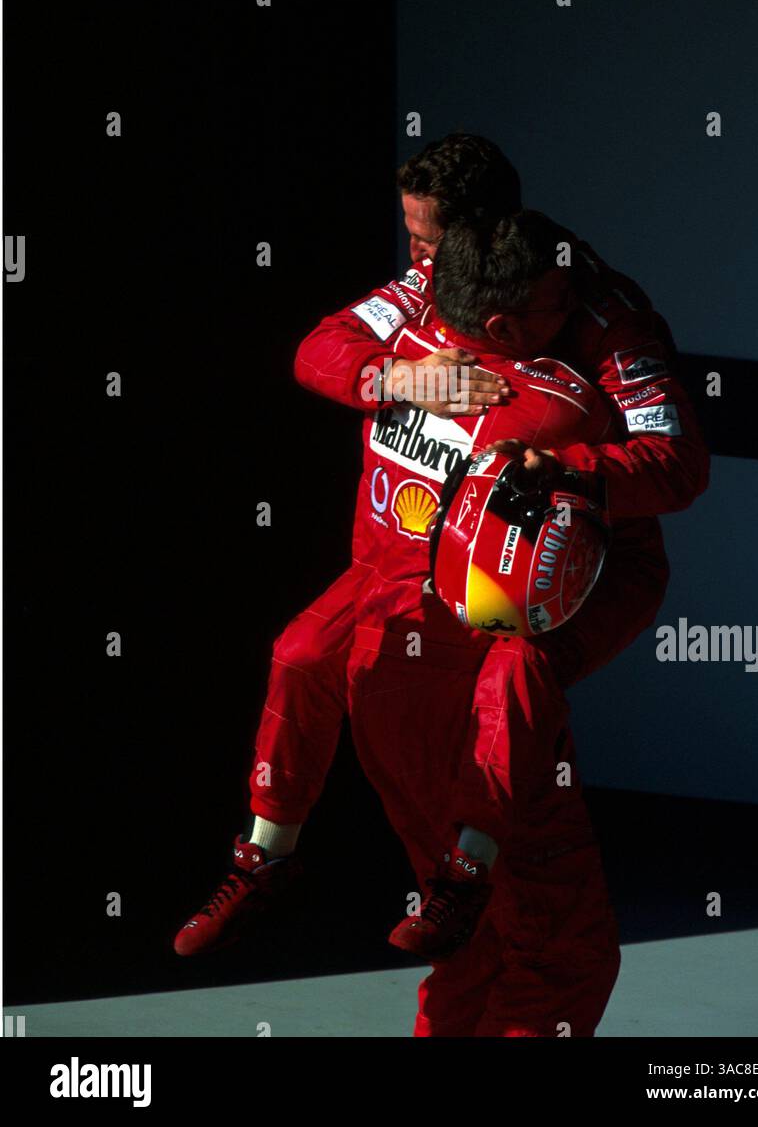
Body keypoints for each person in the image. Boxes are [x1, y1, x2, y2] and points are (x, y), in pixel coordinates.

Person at [174, 200, 709, 1035]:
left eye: (426, 238)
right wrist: (389, 378)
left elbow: (674, 464)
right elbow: (318, 351)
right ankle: (318, 860)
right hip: (444, 676)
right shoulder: (438, 307)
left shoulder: (593, 320)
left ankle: (323, 860)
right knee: (558, 953)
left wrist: (559, 461)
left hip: (412, 671)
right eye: (414, 239)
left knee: (478, 946)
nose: (415, 258)